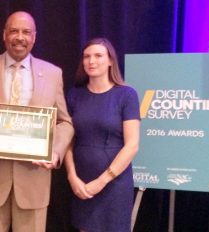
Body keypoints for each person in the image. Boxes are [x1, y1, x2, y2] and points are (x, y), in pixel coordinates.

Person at [0, 11, 74, 232]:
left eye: (26, 32)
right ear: (4, 35)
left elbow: (65, 123)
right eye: (14, 31)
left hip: (34, 185)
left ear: (34, 37)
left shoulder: (53, 73)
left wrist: (54, 152)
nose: (20, 37)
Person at [65, 38, 140, 232]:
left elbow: (132, 145)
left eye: (98, 56)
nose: (91, 61)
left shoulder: (127, 95)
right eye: (87, 56)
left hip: (114, 183)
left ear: (110, 61)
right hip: (82, 182)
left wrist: (102, 181)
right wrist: (72, 177)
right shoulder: (74, 95)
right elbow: (67, 142)